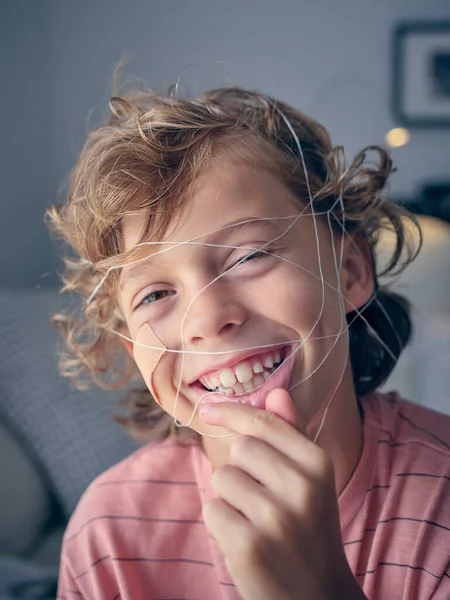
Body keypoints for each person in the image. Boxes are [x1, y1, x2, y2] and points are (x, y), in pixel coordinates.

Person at [47, 85, 450, 600]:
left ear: (349, 271)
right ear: (136, 353)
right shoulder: (107, 535)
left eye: (247, 257)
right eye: (156, 294)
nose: (210, 318)